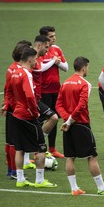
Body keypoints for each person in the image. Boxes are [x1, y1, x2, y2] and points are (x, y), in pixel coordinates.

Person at [56, 57, 104, 196]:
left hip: (68, 125)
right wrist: (71, 119)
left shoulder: (65, 83)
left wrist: (66, 120)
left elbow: (58, 105)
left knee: (70, 157)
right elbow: (81, 105)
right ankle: (102, 188)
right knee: (92, 156)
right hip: (81, 124)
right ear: (84, 67)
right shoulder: (85, 84)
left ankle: (74, 189)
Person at [5, 48, 57, 188]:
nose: (36, 61)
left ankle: (20, 179)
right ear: (30, 59)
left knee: (20, 148)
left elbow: (8, 92)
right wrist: (34, 112)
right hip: (27, 116)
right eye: (35, 59)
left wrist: (13, 106)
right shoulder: (26, 74)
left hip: (16, 114)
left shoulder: (15, 72)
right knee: (41, 147)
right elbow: (29, 96)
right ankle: (40, 180)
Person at [1, 41, 31, 179]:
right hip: (17, 110)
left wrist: (6, 105)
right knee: (15, 142)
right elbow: (10, 91)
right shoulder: (17, 71)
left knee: (10, 141)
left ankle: (10, 170)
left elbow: (6, 90)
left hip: (12, 108)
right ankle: (13, 171)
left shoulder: (11, 68)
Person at [39, 26, 69, 158]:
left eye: (54, 36)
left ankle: (52, 149)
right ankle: (38, 147)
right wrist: (52, 62)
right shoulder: (39, 51)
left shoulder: (57, 49)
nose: (54, 38)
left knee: (54, 119)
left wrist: (57, 63)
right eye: (51, 36)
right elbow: (39, 68)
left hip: (56, 90)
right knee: (41, 120)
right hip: (43, 92)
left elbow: (66, 67)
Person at [33, 35, 60, 158]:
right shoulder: (33, 59)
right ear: (39, 45)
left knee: (53, 117)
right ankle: (35, 148)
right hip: (32, 99)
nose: (47, 51)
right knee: (48, 118)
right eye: (46, 47)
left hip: (36, 98)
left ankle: (38, 146)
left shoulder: (36, 58)